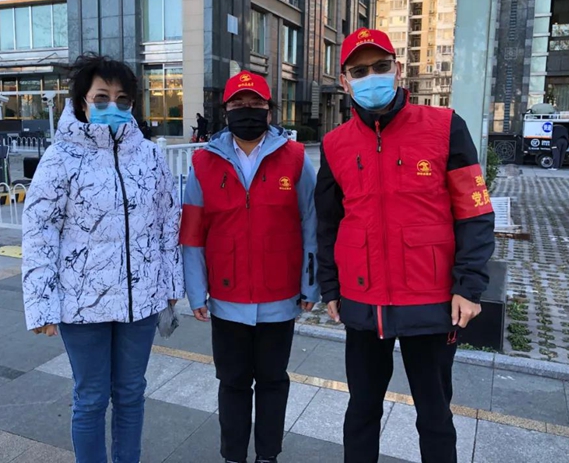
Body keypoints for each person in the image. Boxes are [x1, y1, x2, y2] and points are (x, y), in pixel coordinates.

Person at [315, 28, 495, 463]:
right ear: (344, 81)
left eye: (380, 67)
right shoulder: (335, 145)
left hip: (432, 300)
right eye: (360, 71)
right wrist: (330, 286)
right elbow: (328, 223)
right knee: (361, 411)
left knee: (434, 415)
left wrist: (469, 286)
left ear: (397, 69)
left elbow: (474, 211)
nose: (371, 77)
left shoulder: (446, 127)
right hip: (363, 299)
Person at [22, 54, 184, 463]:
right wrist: (41, 305)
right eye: (101, 97)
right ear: (82, 101)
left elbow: (168, 222)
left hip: (140, 301)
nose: (113, 106)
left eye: (122, 99)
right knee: (91, 397)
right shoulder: (60, 158)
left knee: (131, 393)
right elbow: (40, 232)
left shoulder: (150, 156)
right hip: (82, 304)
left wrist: (170, 285)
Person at [180, 70, 319, 463]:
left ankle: (267, 456)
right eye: (238, 105)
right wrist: (196, 292)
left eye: (255, 104)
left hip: (280, 299)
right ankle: (233, 456)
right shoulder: (203, 162)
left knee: (273, 382)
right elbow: (192, 233)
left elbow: (311, 223)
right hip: (227, 300)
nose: (247, 110)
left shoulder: (295, 158)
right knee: (233, 383)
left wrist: (310, 285)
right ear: (226, 111)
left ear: (269, 111)